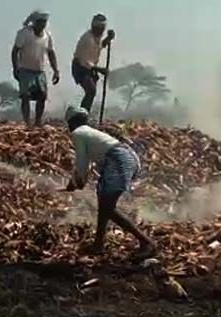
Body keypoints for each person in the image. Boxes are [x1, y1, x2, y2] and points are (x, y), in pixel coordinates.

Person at [63, 106, 155, 255]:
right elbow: (85, 163)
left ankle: (146, 242)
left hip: (117, 160)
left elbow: (82, 162)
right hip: (126, 157)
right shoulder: (89, 132)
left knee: (107, 208)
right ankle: (98, 244)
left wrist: (77, 181)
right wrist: (76, 181)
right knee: (104, 204)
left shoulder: (78, 133)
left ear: (72, 122)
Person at [11, 10, 60, 127]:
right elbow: (15, 51)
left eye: (44, 22)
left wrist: (56, 70)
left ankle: (38, 121)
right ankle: (27, 121)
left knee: (42, 96)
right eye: (40, 22)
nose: (42, 25)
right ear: (34, 22)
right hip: (25, 69)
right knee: (26, 96)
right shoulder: (24, 33)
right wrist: (15, 67)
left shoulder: (47, 36)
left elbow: (51, 53)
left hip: (39, 70)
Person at [72, 14, 115, 112]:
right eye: (99, 29)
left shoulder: (97, 37)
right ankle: (82, 114)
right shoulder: (87, 39)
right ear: (93, 27)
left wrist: (108, 38)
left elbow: (99, 46)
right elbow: (85, 62)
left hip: (90, 68)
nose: (101, 31)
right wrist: (101, 70)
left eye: (102, 29)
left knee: (91, 93)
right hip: (80, 67)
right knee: (91, 91)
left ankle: (84, 113)